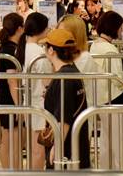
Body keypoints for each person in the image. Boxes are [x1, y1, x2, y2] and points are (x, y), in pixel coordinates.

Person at [89, 11, 123, 169]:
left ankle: (107, 170)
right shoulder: (110, 49)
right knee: (121, 142)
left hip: (102, 99)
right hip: (115, 99)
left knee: (107, 141)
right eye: (121, 27)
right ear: (114, 28)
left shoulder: (95, 45)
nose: (122, 31)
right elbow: (118, 79)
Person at [42, 29, 90, 169]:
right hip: (76, 145)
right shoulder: (72, 71)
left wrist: (56, 148)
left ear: (51, 50)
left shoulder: (63, 79)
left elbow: (64, 119)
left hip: (66, 152)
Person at [16, 12, 50, 169]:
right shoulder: (39, 53)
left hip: (29, 101)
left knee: (32, 146)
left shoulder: (23, 47)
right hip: (39, 102)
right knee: (39, 148)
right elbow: (46, 81)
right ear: (41, 29)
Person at [0, 13, 24, 169]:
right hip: (9, 99)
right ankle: (10, 170)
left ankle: (10, 170)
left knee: (9, 139)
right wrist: (19, 105)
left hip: (6, 97)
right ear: (19, 28)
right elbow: (12, 80)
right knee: (10, 140)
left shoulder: (7, 47)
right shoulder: (10, 49)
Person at [57, 14, 102, 106]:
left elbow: (69, 83)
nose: (59, 36)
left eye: (63, 33)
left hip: (80, 107)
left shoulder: (84, 58)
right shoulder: (63, 55)